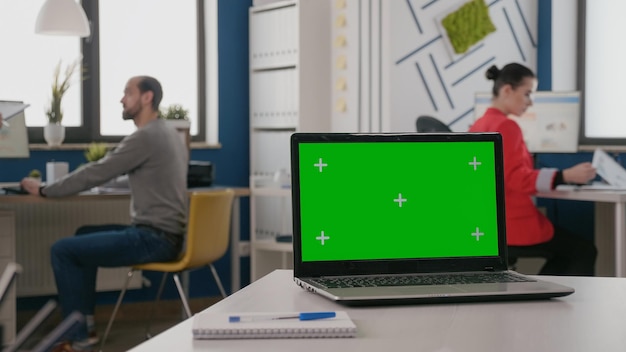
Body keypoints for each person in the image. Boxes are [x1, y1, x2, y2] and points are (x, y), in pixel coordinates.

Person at [21, 76, 188, 352]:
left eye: (127, 93)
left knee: (63, 250)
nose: (122, 99)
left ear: (147, 98)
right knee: (83, 235)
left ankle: (76, 337)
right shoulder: (169, 134)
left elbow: (98, 170)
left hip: (153, 239)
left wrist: (45, 190)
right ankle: (84, 326)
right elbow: (141, 175)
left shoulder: (144, 136)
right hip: (167, 236)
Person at [469, 63, 597, 276]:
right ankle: (551, 295)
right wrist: (565, 175)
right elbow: (515, 178)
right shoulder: (506, 126)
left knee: (572, 251)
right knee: (583, 251)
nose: (530, 102)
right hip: (512, 225)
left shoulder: (479, 124)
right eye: (527, 94)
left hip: (489, 226)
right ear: (507, 90)